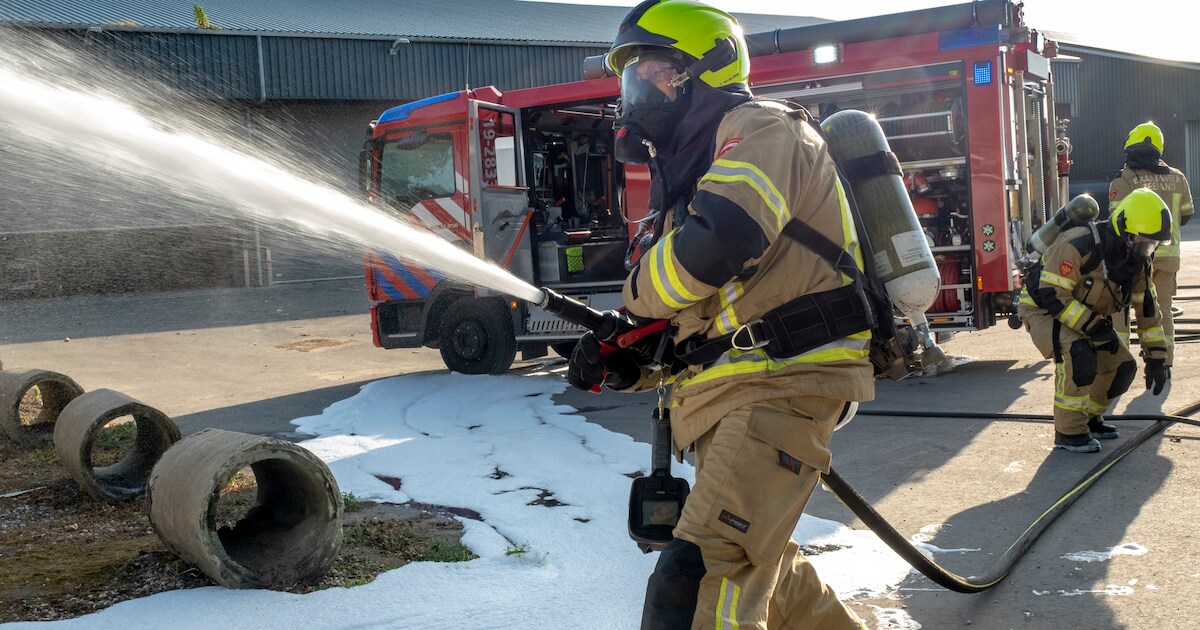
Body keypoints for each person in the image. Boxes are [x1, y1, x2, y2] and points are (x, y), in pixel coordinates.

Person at [567, 1, 873, 627]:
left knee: (699, 578)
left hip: (780, 385)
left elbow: (716, 247)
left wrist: (632, 301)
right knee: (771, 577)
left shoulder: (764, 129)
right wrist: (632, 356)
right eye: (630, 75)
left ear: (708, 67)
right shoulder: (697, 175)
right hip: (734, 395)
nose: (637, 89)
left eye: (652, 69)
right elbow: (703, 315)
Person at [1017, 187, 1172, 453]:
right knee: (1079, 353)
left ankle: (1089, 419)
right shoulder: (1079, 243)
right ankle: (1069, 432)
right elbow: (1053, 295)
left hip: (1081, 313)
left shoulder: (1136, 261)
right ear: (1125, 231)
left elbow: (1147, 311)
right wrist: (1095, 327)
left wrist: (1157, 359)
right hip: (1042, 309)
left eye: (1153, 244)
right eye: (1145, 242)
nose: (1148, 249)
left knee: (1122, 367)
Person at [1109, 122, 1194, 372]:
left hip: (1131, 259)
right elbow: (1186, 215)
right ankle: (1163, 363)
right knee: (1161, 310)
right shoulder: (1178, 178)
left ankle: (1118, 365)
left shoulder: (1124, 180)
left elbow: (1116, 223)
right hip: (1167, 259)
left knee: (1120, 310)